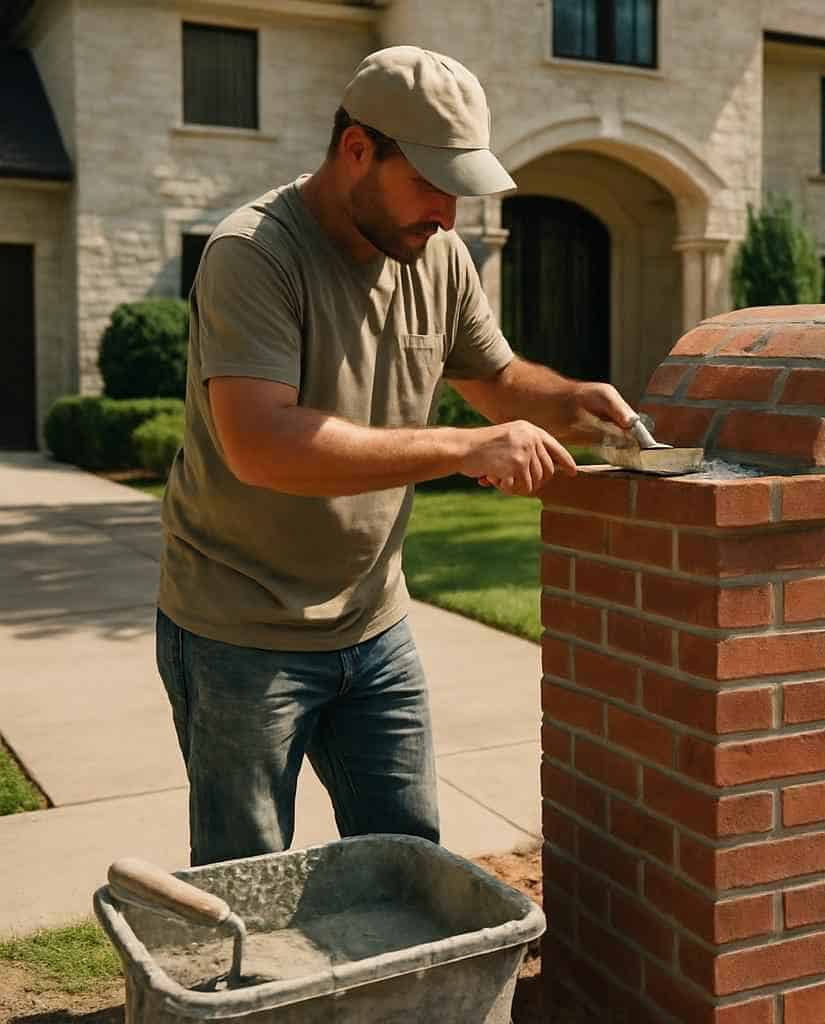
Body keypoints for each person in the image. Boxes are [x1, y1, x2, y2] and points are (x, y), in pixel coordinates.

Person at [155, 46, 634, 866]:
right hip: (239, 630)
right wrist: (466, 447)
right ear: (357, 150)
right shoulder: (253, 253)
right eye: (431, 183)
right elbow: (262, 445)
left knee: (411, 862)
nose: (447, 213)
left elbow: (497, 380)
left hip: (375, 623)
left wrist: (572, 403)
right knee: (247, 877)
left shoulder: (436, 257)